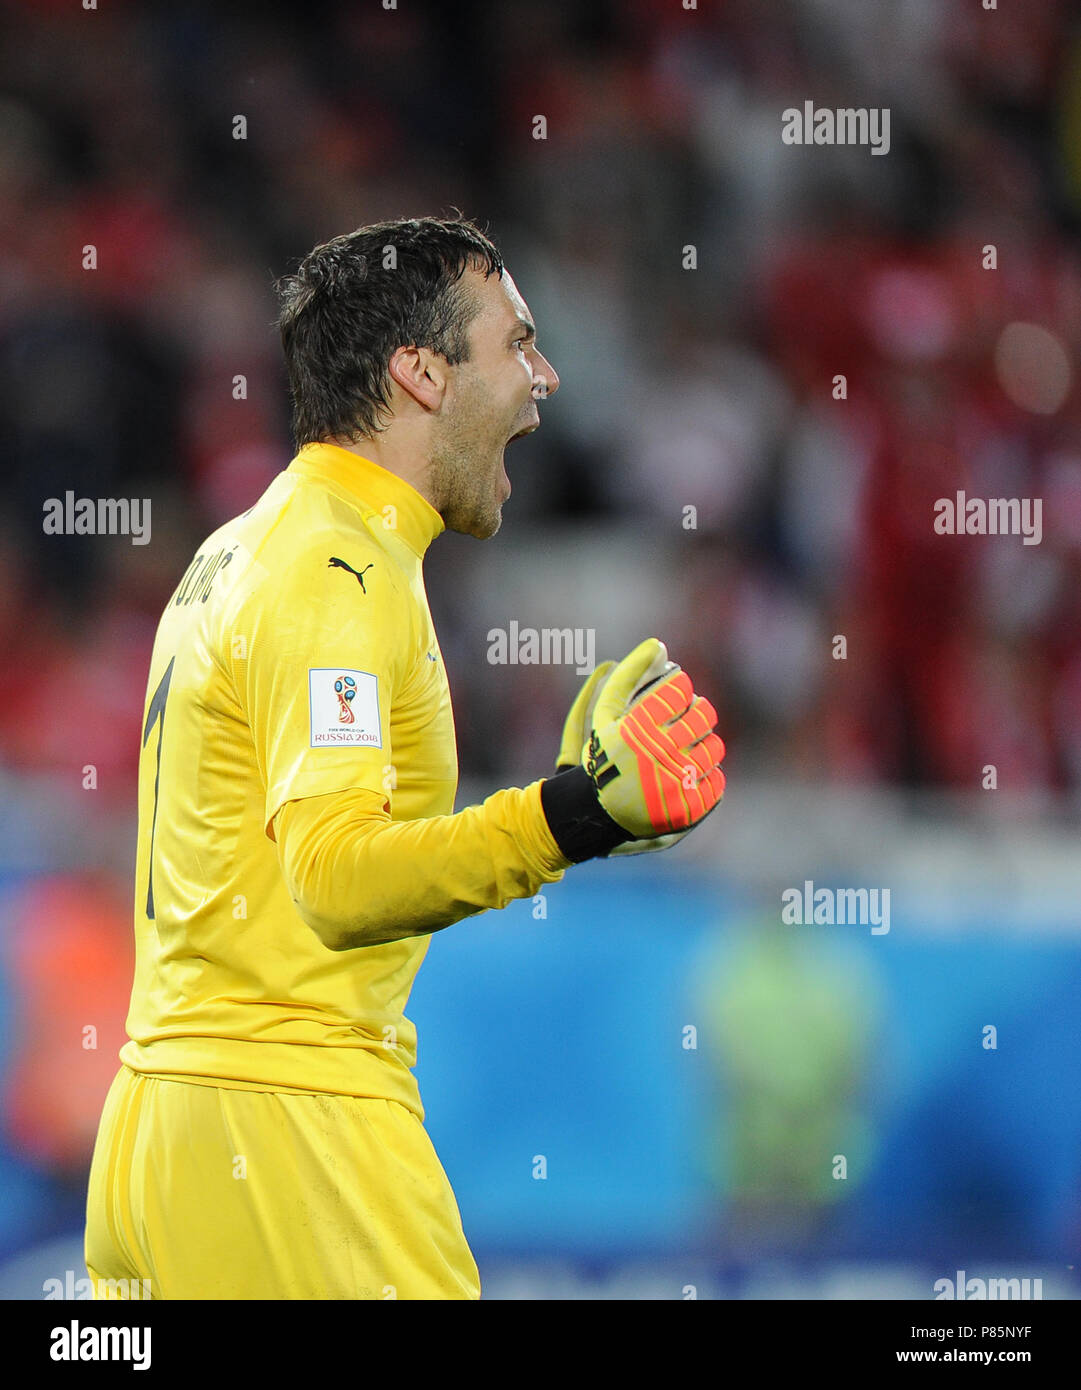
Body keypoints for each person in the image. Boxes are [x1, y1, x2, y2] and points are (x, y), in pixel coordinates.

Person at [84, 216, 726, 1300]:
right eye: (516, 343)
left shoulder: (240, 547)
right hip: (293, 1136)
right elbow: (334, 875)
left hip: (161, 1129)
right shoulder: (339, 565)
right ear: (422, 374)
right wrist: (570, 816)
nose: (546, 376)